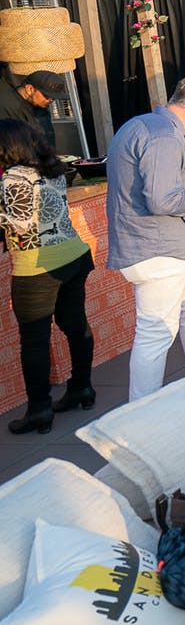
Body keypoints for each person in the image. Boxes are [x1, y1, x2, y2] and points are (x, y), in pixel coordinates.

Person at [107, 75, 185, 401]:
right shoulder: (163, 135)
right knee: (156, 333)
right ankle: (142, 414)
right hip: (159, 250)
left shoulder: (145, 126)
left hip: (161, 246)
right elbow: (162, 199)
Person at [2, 118, 94, 434]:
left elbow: (21, 225)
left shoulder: (13, 178)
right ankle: (82, 388)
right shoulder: (51, 169)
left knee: (35, 340)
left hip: (38, 266)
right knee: (74, 325)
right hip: (73, 256)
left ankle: (39, 409)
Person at [0, 69, 60, 147]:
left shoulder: (40, 106)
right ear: (29, 89)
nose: (51, 100)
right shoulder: (5, 105)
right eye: (47, 96)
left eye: (54, 98)